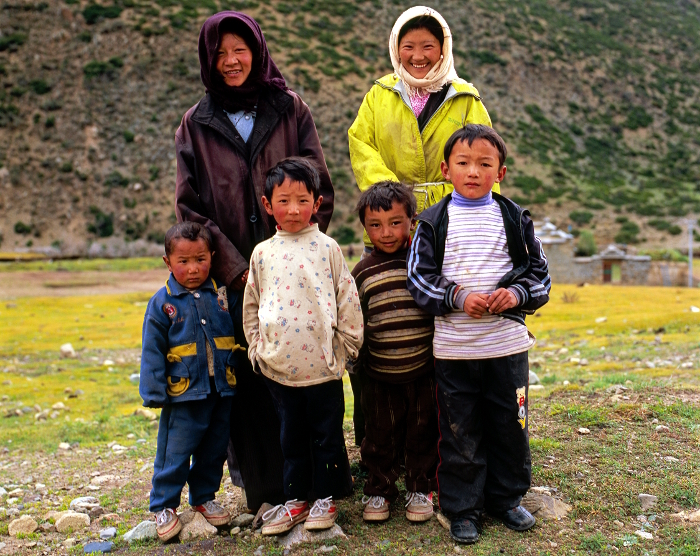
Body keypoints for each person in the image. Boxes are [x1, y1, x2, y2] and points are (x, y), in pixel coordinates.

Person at [175, 11, 335, 511]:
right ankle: (266, 494)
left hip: (296, 277)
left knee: (303, 377)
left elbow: (318, 188)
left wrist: (292, 255)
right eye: (220, 53)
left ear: (257, 50)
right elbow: (191, 207)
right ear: (208, 59)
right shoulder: (195, 124)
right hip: (235, 279)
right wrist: (237, 267)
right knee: (248, 380)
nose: (231, 61)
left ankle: (318, 489)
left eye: (239, 49)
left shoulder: (290, 109)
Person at [347, 5, 493, 444]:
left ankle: (444, 444)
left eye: (428, 46)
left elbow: (485, 159)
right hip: (393, 220)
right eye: (408, 46)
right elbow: (362, 143)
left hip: (451, 220)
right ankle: (381, 443)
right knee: (390, 318)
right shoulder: (380, 94)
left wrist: (487, 224)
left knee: (443, 322)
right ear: (396, 48)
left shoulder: (466, 97)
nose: (418, 55)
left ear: (443, 48)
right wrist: (393, 199)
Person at [406, 125, 551, 544]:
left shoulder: (514, 217)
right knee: (459, 430)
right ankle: (463, 509)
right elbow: (419, 279)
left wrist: (516, 293)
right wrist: (457, 296)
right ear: (445, 169)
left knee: (511, 422)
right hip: (455, 352)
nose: (473, 171)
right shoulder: (432, 222)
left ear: (500, 171)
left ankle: (506, 499)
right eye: (463, 163)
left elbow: (540, 275)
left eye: (484, 164)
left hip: (506, 348)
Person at [242, 158, 363, 535]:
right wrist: (256, 349)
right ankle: (295, 501)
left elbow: (347, 300)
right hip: (280, 369)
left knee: (327, 438)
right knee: (290, 439)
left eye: (302, 200)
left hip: (324, 368)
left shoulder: (327, 248)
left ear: (317, 202)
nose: (293, 209)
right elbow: (251, 304)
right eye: (283, 200)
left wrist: (344, 349)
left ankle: (325, 499)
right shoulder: (262, 252)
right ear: (267, 204)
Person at [140, 222, 246, 541]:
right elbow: (152, 350)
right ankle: (164, 506)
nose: (193, 268)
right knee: (175, 452)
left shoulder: (222, 296)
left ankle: (203, 498)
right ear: (168, 262)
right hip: (183, 395)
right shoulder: (163, 304)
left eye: (200, 259)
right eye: (183, 261)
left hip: (221, 390)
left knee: (214, 450)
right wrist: (154, 391)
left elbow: (239, 335)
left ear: (212, 256)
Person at [351, 181, 437, 524]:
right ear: (365, 227)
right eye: (375, 225)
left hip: (422, 370)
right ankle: (379, 489)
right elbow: (353, 320)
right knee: (378, 435)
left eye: (396, 222)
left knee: (422, 431)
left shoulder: (423, 265)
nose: (386, 233)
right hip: (379, 374)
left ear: (412, 222)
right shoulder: (360, 272)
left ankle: (420, 487)